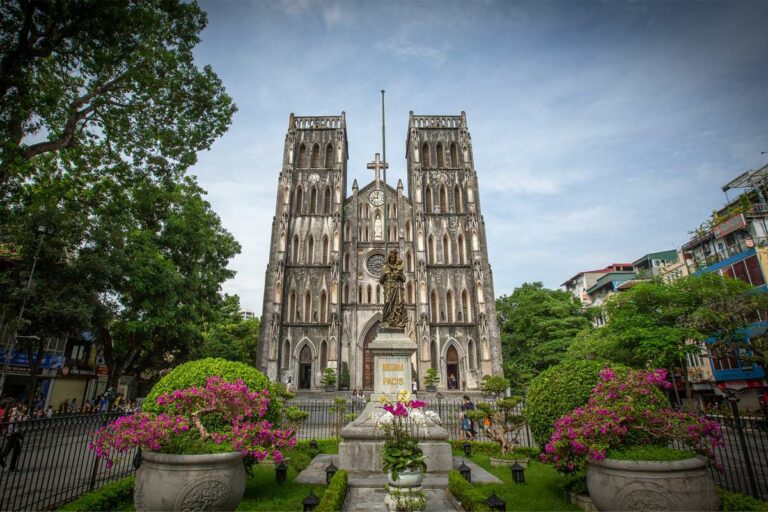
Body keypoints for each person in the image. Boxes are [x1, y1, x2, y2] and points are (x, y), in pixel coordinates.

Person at [1, 402, 24, 471]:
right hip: (13, 433)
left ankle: (12, 467)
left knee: (12, 450)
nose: (22, 406)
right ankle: (11, 467)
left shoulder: (13, 411)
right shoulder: (14, 411)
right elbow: (14, 422)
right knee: (8, 451)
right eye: (21, 404)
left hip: (12, 433)